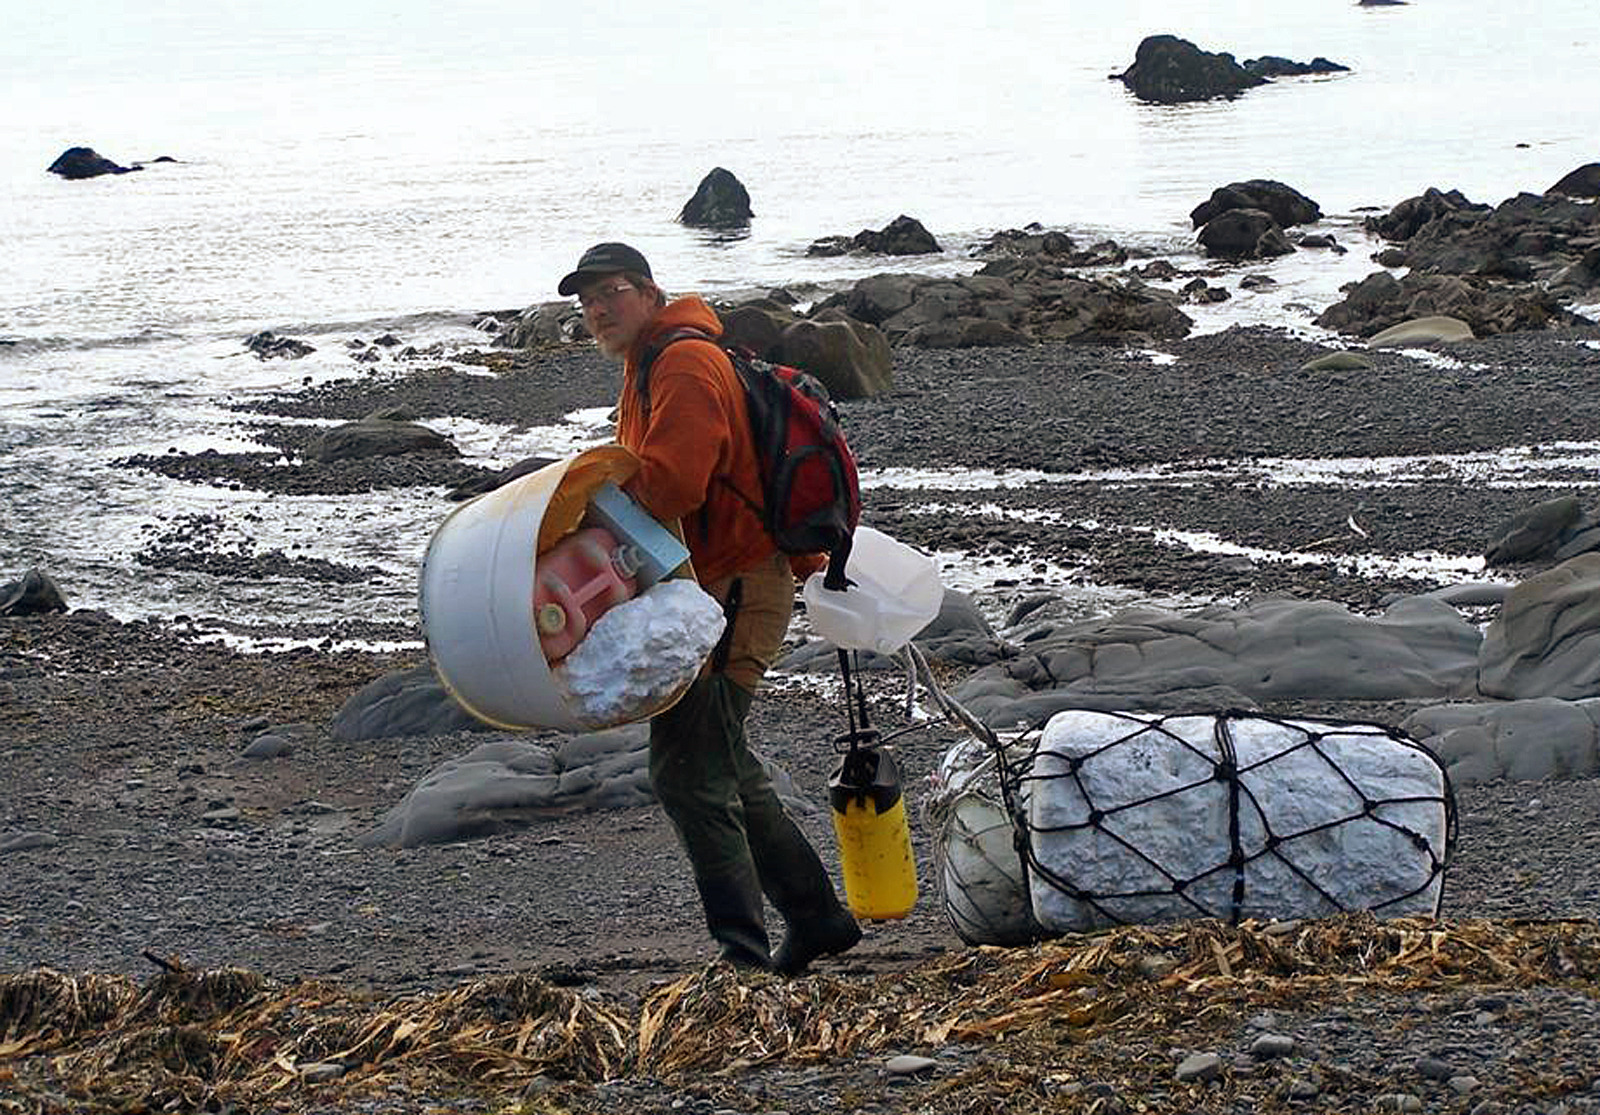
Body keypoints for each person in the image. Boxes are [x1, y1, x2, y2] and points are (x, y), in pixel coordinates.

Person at [557, 242, 862, 974]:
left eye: (613, 293)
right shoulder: (651, 361)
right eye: (587, 300)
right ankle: (818, 917)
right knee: (719, 756)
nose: (598, 310)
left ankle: (742, 952)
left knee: (690, 771)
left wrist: (577, 514)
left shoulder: (685, 362)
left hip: (733, 586)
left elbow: (673, 487)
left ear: (651, 293)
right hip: (709, 584)